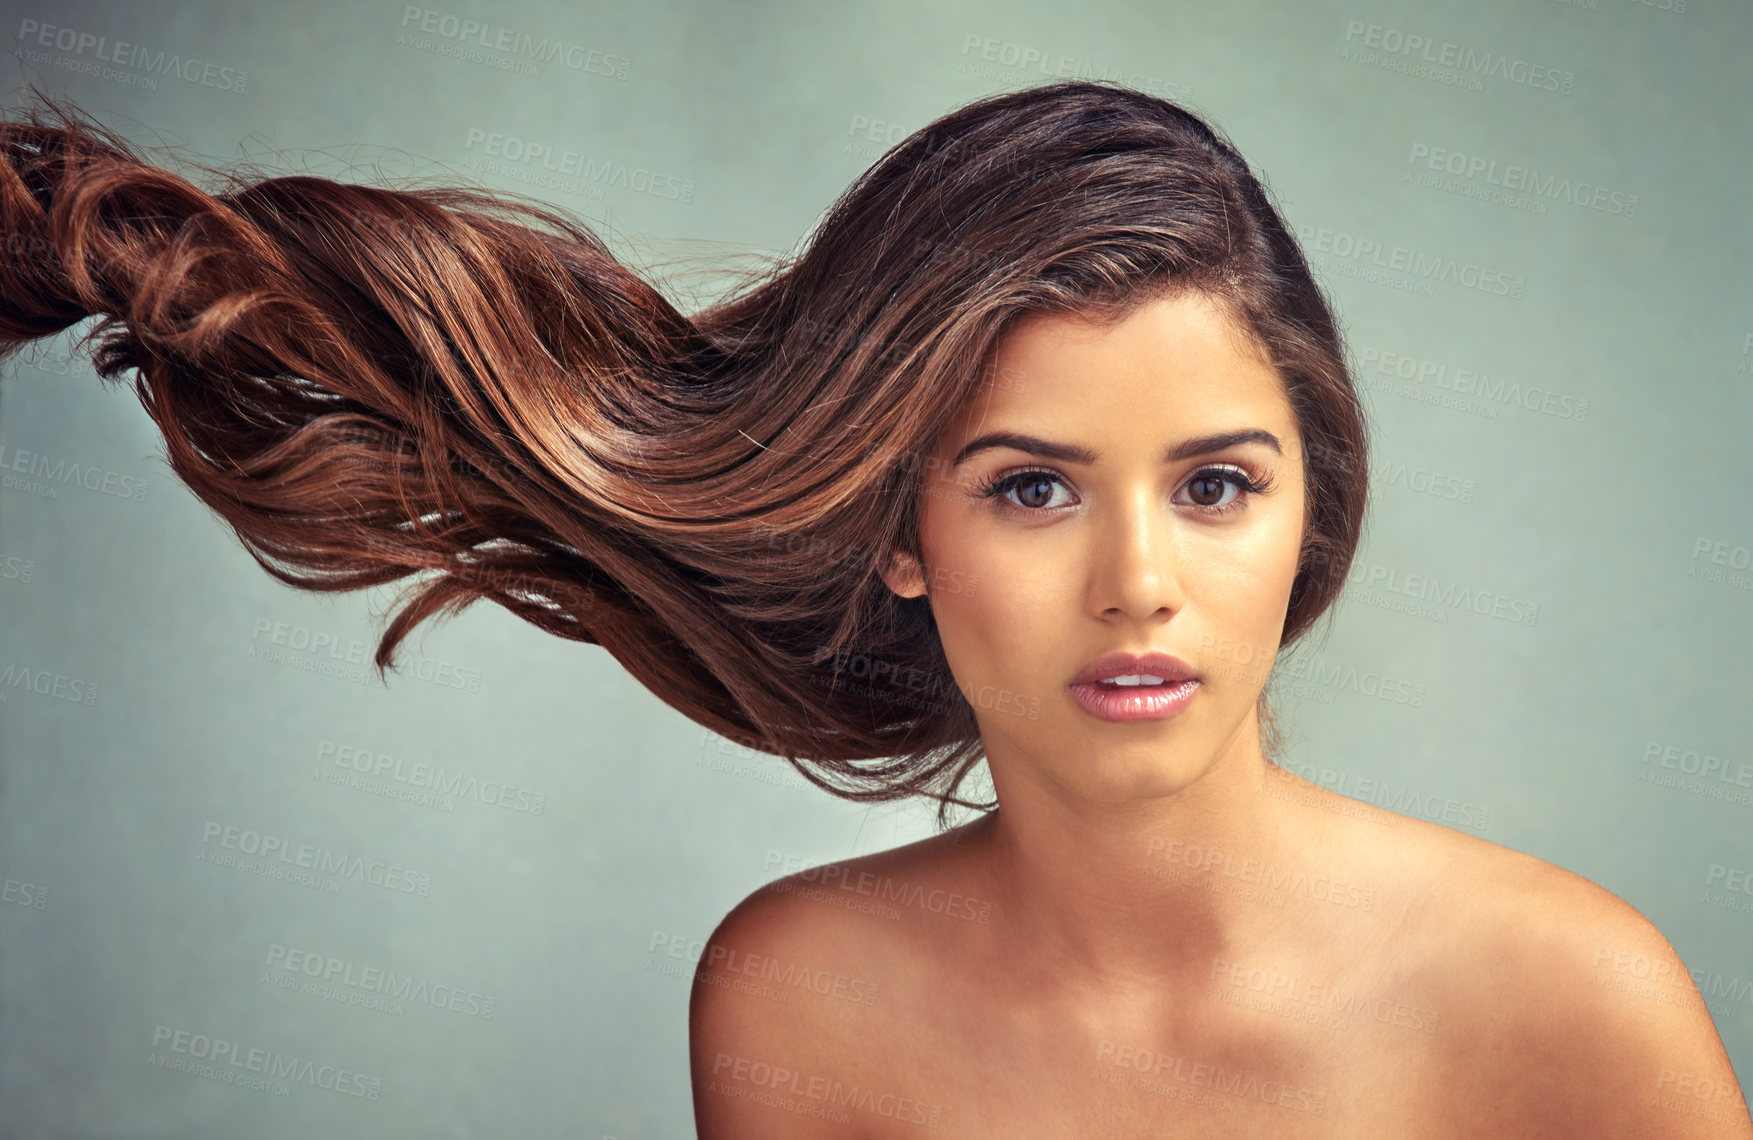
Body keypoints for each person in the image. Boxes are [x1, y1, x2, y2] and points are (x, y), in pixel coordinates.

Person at [0, 80, 1744, 1137]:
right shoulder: (802, 999)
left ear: (1309, 511)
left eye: (1215, 485)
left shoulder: (1570, 997)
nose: (1139, 582)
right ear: (898, 530)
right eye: (1029, 486)